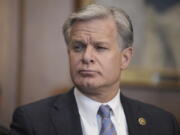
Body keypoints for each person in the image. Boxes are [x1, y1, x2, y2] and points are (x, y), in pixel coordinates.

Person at [10, 4, 180, 135]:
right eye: (78, 47)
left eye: (100, 47)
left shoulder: (162, 124)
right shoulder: (32, 121)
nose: (86, 57)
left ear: (125, 58)